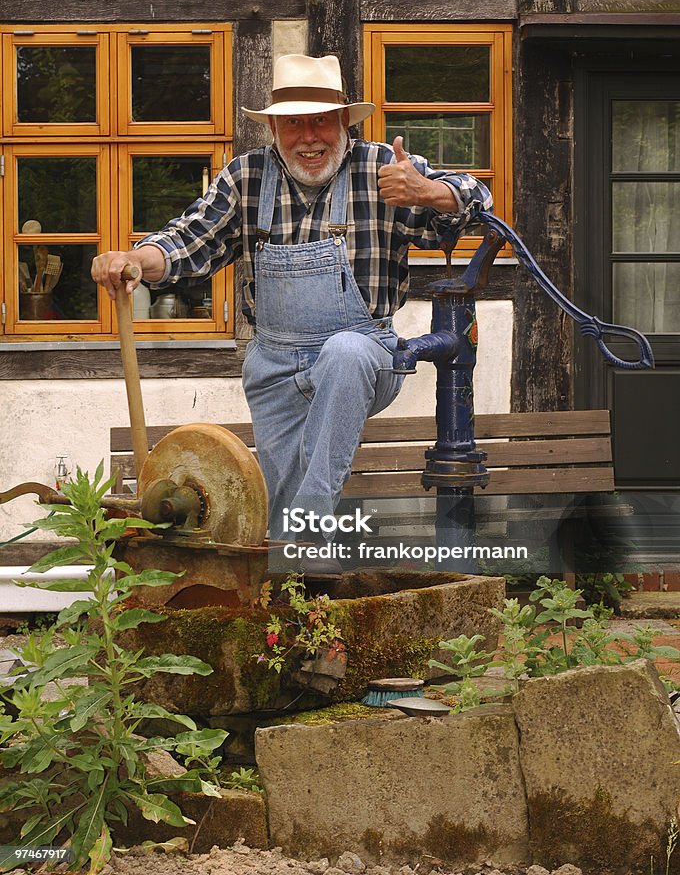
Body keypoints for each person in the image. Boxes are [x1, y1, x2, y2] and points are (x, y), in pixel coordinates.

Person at [91, 54, 492, 557]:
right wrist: (131, 259)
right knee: (280, 510)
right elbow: (190, 241)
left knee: (343, 355)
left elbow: (480, 200)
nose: (309, 137)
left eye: (321, 121)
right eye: (294, 123)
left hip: (368, 351)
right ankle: (297, 601)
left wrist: (430, 193)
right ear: (276, 127)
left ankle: (313, 525)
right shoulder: (246, 177)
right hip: (275, 366)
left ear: (344, 120)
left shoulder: (382, 170)